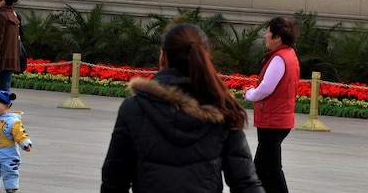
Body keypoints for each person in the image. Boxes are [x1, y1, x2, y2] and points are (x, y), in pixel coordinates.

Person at [101, 23, 264, 193]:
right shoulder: (222, 109)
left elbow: (114, 180)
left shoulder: (134, 108)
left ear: (162, 57)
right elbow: (246, 184)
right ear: (205, 58)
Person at [243, 17, 301, 193]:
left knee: (271, 169)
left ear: (277, 37)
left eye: (268, 32)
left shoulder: (279, 58)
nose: (265, 35)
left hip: (272, 121)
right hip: (279, 120)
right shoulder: (289, 55)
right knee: (260, 168)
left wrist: (250, 93)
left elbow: (266, 88)